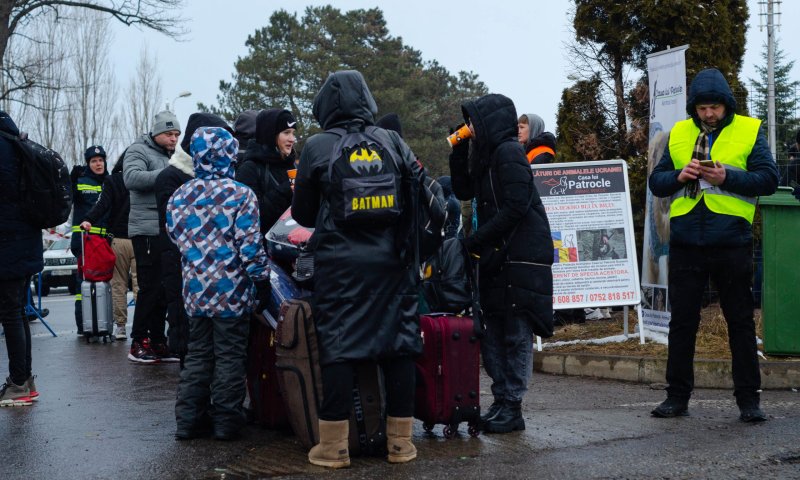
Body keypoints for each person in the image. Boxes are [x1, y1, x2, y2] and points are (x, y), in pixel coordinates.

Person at [292, 70, 422, 468]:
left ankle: (333, 448)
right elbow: (416, 189)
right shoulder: (391, 139)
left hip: (341, 266)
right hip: (392, 263)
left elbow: (304, 214)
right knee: (399, 347)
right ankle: (401, 445)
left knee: (339, 349)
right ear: (366, 99)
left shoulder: (317, 147)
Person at [648, 68, 779, 422]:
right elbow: (657, 183)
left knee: (740, 323)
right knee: (682, 323)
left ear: (726, 105)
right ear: (693, 107)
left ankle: (749, 401)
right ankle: (676, 398)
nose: (708, 114)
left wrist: (727, 177)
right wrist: (678, 175)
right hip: (687, 241)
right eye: (702, 108)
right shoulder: (679, 133)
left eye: (715, 108)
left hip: (731, 241)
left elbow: (769, 179)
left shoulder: (749, 130)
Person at [449, 94, 554, 434]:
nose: (470, 128)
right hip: (497, 253)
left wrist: (477, 239)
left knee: (515, 331)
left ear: (489, 122)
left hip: (520, 252)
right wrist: (459, 151)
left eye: (474, 122)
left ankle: (513, 405)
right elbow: (465, 190)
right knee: (492, 326)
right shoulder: (486, 154)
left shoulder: (509, 152)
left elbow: (517, 205)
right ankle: (501, 400)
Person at [167, 126, 269, 441]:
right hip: (232, 292)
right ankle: (227, 422)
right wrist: (261, 280)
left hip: (196, 291)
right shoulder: (241, 194)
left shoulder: (180, 195)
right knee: (229, 355)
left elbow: (175, 237)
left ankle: (188, 421)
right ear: (228, 154)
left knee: (198, 354)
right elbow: (249, 246)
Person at [155, 112, 232, 367]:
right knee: (186, 330)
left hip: (210, 264)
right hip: (180, 262)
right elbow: (175, 229)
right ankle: (192, 399)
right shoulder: (171, 177)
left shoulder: (219, 178)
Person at [123, 111, 180, 363]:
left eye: (177, 134)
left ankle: (158, 341)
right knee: (149, 288)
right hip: (146, 230)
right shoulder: (138, 150)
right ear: (156, 133)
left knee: (164, 287)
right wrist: (168, 175)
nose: (173, 139)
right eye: (169, 134)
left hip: (165, 229)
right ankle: (138, 341)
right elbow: (131, 178)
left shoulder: (172, 156)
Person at [0, 111, 43, 407]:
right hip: (25, 240)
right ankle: (24, 379)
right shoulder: (17, 142)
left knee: (11, 312)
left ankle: (18, 384)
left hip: (8, 242)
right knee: (17, 311)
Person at [81, 151, 138, 340]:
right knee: (142, 286)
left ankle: (120, 328)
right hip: (141, 238)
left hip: (118, 241)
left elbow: (102, 204)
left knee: (118, 285)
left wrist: (88, 219)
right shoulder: (141, 178)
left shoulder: (113, 181)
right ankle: (143, 327)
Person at [235, 108, 297, 235]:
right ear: (270, 135)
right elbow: (253, 215)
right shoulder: (250, 168)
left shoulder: (291, 164)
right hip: (263, 249)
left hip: (293, 243)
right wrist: (286, 189)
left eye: (293, 133)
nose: (292, 139)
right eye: (286, 133)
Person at [71, 145, 109, 335]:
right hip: (85, 242)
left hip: (104, 241)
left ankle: (103, 324)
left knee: (105, 283)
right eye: (94, 161)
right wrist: (70, 181)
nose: (98, 164)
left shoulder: (109, 181)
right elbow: (67, 198)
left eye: (100, 160)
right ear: (88, 164)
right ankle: (84, 325)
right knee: (83, 286)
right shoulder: (80, 181)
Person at [436, 176, 461, 240]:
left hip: (448, 236)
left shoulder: (450, 201)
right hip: (451, 235)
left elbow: (438, 214)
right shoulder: (453, 199)